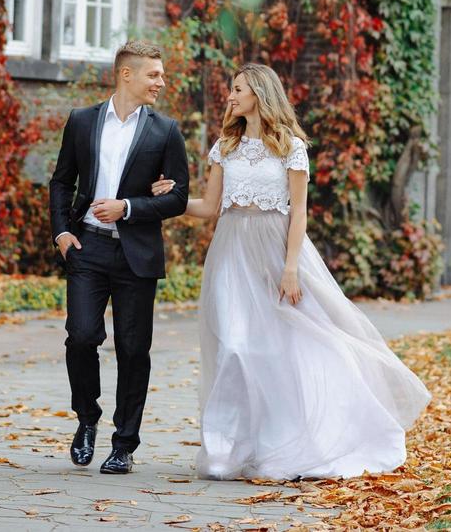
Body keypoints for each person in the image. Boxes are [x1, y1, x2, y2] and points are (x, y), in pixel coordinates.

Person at [140, 63, 429, 480]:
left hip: (276, 250)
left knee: (284, 346)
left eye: (237, 89)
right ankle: (227, 451)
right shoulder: (225, 146)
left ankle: (288, 441)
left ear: (258, 92)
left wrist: (290, 268)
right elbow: (208, 208)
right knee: (233, 348)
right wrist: (173, 199)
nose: (230, 96)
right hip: (231, 252)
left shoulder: (291, 147)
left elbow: (299, 214)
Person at [50, 40, 190, 475]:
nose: (161, 83)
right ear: (126, 74)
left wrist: (129, 207)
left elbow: (179, 197)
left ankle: (124, 444)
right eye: (154, 75)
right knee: (81, 336)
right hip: (88, 248)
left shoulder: (165, 131)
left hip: (136, 255)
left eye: (161, 75)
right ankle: (86, 418)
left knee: (133, 349)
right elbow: (61, 181)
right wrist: (61, 232)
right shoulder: (82, 121)